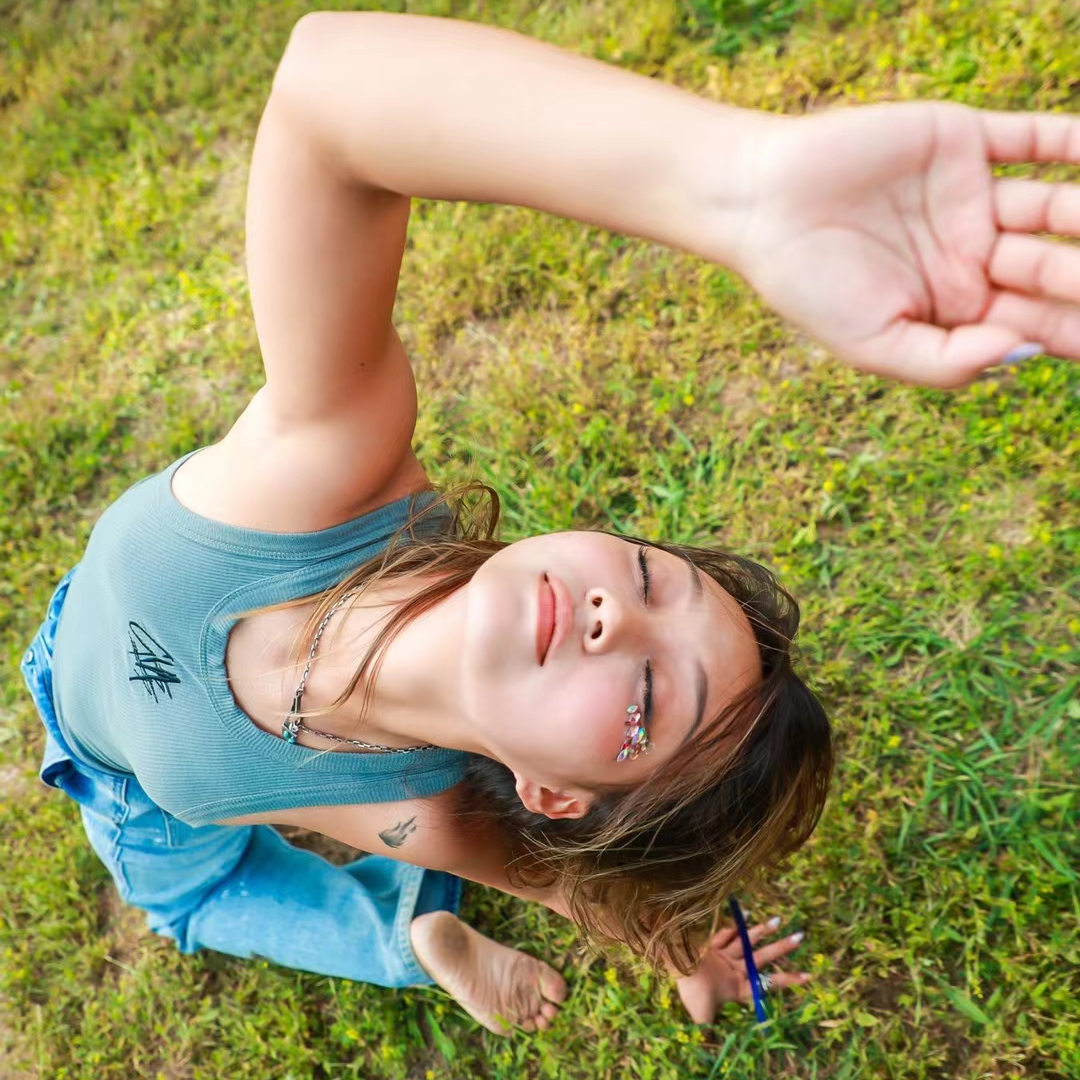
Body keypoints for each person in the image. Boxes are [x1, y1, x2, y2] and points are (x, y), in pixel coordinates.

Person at [21, 11, 1079, 1036]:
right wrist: (740, 188)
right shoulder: (323, 474)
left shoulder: (429, 813)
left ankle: (409, 935)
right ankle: (409, 918)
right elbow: (328, 92)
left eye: (653, 699)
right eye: (651, 576)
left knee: (194, 907)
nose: (619, 618)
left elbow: (576, 891)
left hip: (126, 795)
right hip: (71, 630)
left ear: (555, 794)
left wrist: (690, 959)